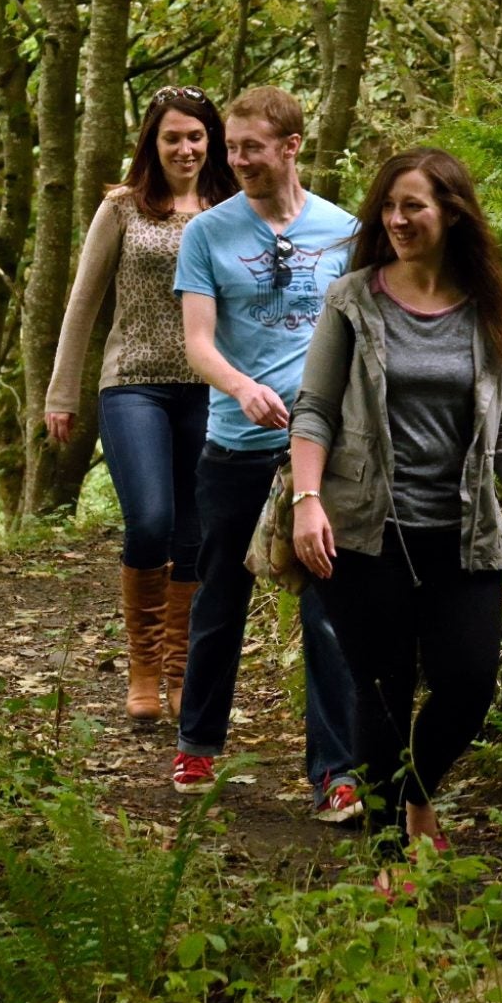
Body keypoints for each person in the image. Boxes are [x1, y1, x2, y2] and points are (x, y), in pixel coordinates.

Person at [288, 150, 502, 881]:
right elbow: (314, 411)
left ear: (452, 214)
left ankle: (415, 792)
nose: (397, 220)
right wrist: (308, 502)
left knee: (469, 685)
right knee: (382, 688)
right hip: (365, 528)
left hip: (464, 533)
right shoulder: (353, 299)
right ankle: (387, 853)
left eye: (415, 207)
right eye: (389, 208)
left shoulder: (496, 306)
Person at [169, 86, 365, 820]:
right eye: (233, 148)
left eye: (253, 146)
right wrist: (241, 385)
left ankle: (337, 773)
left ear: (291, 145)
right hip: (236, 442)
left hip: (319, 450)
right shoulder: (208, 233)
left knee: (328, 609)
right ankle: (198, 742)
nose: (239, 160)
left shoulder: (345, 230)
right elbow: (196, 341)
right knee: (221, 595)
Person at [45, 86, 237, 720]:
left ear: (211, 142)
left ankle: (179, 671)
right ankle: (143, 665)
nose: (185, 148)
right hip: (132, 383)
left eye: (195, 137)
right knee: (150, 520)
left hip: (210, 388)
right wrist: (61, 392)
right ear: (152, 144)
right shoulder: (124, 208)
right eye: (172, 137)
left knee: (195, 534)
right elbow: (83, 302)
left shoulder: (234, 210)